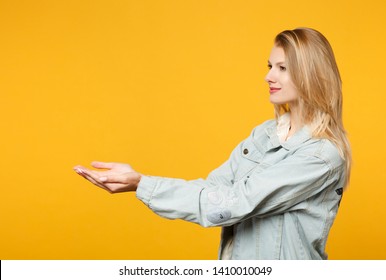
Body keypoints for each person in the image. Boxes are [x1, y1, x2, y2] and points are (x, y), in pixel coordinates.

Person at [74, 27, 351, 260]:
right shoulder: (264, 134)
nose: (268, 76)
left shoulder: (321, 156)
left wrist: (142, 184)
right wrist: (140, 180)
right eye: (269, 66)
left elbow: (236, 202)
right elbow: (214, 189)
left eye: (282, 68)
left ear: (310, 74)